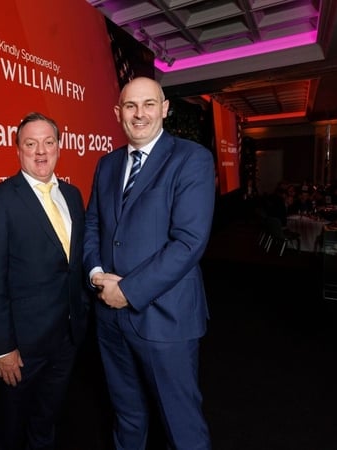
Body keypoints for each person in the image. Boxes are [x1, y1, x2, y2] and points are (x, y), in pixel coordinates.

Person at [83, 77, 215, 450]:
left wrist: (127, 290)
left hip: (165, 319)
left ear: (165, 109)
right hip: (110, 317)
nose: (139, 114)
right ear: (118, 113)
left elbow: (189, 243)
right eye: (130, 106)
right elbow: (94, 223)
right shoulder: (106, 164)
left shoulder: (192, 159)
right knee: (127, 416)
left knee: (181, 424)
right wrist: (95, 274)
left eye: (149, 104)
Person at [0, 112, 89, 450]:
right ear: (18, 151)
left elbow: (73, 266)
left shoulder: (72, 196)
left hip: (66, 339)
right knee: (9, 428)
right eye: (31, 144)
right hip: (21, 349)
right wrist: (2, 348)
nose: (41, 151)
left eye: (48, 142)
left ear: (59, 147)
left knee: (47, 421)